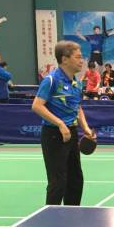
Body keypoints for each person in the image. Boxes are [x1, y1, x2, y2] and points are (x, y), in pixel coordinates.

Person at [31, 40, 95, 206]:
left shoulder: (77, 82)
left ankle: (72, 215)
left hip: (71, 133)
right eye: (78, 57)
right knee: (58, 183)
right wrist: (60, 124)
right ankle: (51, 217)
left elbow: (77, 107)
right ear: (65, 59)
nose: (82, 61)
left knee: (76, 180)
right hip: (54, 135)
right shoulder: (51, 80)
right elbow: (37, 105)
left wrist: (85, 128)